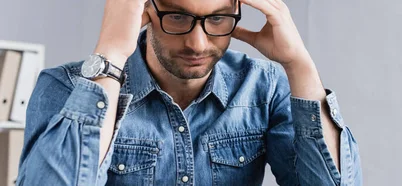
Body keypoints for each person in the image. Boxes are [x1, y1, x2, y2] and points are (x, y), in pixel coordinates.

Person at [16, 0, 362, 185]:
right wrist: (109, 55)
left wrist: (299, 65)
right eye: (178, 18)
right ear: (145, 10)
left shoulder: (265, 87)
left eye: (217, 20)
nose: (198, 43)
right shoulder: (67, 87)